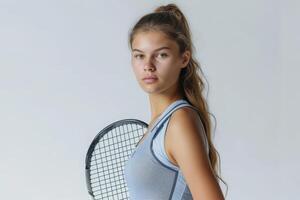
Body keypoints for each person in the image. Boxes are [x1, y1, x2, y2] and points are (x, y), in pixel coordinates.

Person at [124, 3, 228, 200]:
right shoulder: (161, 124)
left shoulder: (179, 121)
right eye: (139, 55)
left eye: (161, 55)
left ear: (184, 58)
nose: (148, 66)